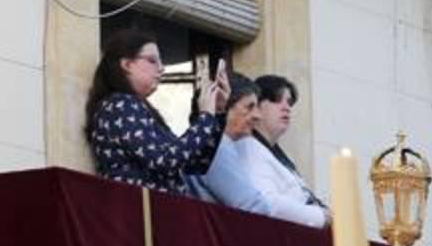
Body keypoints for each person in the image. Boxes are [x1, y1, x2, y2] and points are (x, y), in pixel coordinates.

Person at [85, 29, 228, 194]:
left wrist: (217, 112)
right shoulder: (119, 105)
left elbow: (196, 163)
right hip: (137, 212)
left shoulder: (136, 107)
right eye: (152, 61)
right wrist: (206, 117)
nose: (161, 69)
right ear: (126, 65)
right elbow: (164, 161)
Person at [240, 74, 328, 227]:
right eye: (276, 100)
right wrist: (321, 217)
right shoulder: (249, 149)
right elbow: (268, 203)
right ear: (256, 107)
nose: (286, 107)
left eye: (288, 102)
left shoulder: (279, 155)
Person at [188, 73, 272, 215]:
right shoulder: (216, 147)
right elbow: (255, 209)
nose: (258, 116)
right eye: (249, 107)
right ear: (222, 106)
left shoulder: (210, 143)